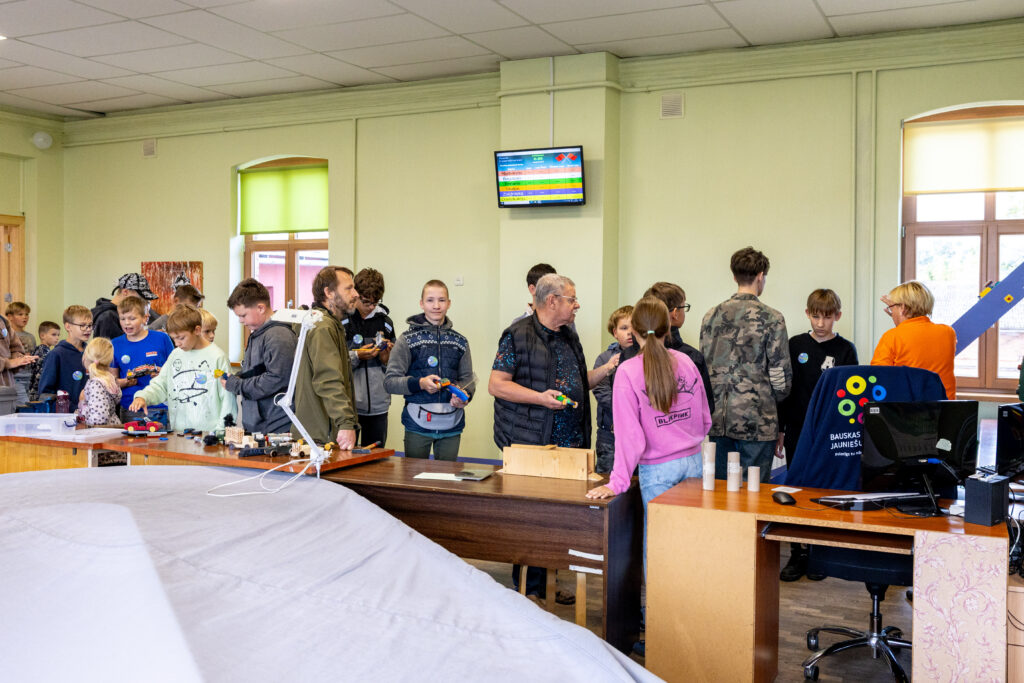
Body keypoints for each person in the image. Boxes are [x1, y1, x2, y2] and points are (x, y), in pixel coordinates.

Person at [586, 298, 712, 653]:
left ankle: (663, 639)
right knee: (689, 549)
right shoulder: (686, 362)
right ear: (669, 326)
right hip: (693, 464)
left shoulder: (628, 372)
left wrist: (616, 482)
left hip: (658, 472)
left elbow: (630, 438)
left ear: (636, 332)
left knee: (657, 556)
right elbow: (705, 418)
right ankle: (694, 628)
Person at [489, 272, 617, 603]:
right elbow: (497, 385)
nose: (577, 305)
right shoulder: (517, 335)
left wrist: (606, 370)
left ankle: (550, 580)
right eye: (572, 299)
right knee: (532, 520)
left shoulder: (569, 335)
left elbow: (578, 382)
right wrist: (540, 398)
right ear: (552, 301)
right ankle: (529, 590)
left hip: (571, 444)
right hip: (533, 442)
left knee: (558, 520)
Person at [776, 288, 858, 582]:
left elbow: (851, 397)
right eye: (815, 316)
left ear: (837, 316)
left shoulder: (846, 350)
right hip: (798, 429)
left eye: (827, 317)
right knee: (797, 487)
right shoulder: (795, 344)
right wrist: (780, 429)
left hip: (830, 432)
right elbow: (784, 392)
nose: (821, 323)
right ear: (807, 314)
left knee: (823, 490)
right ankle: (797, 551)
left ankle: (819, 551)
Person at [700, 247, 791, 483]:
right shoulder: (772, 318)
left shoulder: (711, 316)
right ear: (761, 276)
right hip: (758, 419)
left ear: (734, 276)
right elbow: (780, 376)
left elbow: (704, 366)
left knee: (721, 490)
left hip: (719, 419)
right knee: (754, 491)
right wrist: (776, 400)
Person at [384, 279, 475, 460]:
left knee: (447, 475)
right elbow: (390, 382)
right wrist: (420, 383)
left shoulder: (460, 341)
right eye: (430, 300)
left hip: (452, 424)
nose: (436, 306)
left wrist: (465, 396)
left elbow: (468, 379)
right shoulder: (406, 340)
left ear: (449, 303)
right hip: (417, 425)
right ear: (421, 303)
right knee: (414, 476)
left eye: (441, 300)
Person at [129, 304, 235, 432]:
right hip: (180, 433)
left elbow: (228, 400)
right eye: (174, 339)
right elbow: (161, 385)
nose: (177, 343)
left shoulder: (218, 357)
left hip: (210, 435)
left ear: (197, 330)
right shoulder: (175, 354)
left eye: (181, 338)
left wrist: (221, 432)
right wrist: (143, 397)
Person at [619, 282, 715, 415]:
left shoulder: (626, 357)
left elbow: (622, 410)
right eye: (684, 307)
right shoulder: (691, 357)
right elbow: (707, 407)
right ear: (675, 313)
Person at [291, 266, 360, 448]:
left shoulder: (328, 324)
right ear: (329, 293)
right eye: (349, 288)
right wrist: (345, 422)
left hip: (322, 432)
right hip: (323, 436)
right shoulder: (323, 327)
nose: (356, 294)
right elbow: (328, 379)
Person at [223, 278, 297, 435]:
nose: (240, 321)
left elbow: (276, 379)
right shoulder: (258, 333)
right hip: (259, 424)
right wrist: (239, 377)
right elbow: (259, 370)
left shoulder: (278, 335)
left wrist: (237, 385)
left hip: (276, 425)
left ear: (261, 308)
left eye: (243, 315)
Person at [872, 280, 956, 400]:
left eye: (891, 308)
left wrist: (900, 320)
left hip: (908, 408)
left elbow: (878, 377)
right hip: (944, 406)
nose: (891, 312)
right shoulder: (948, 332)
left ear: (902, 308)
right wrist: (899, 316)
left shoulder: (892, 336)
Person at [344, 268, 396, 447]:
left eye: (376, 302)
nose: (372, 307)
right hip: (350, 406)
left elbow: (393, 365)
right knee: (345, 454)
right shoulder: (343, 321)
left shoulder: (386, 323)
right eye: (366, 302)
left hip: (378, 405)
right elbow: (334, 362)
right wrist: (357, 355)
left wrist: (386, 357)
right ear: (356, 294)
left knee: (376, 456)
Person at [110, 295, 174, 425]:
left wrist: (163, 372)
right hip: (130, 408)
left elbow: (176, 370)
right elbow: (112, 381)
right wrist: (125, 382)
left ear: (145, 318)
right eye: (122, 319)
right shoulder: (115, 344)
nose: (127, 323)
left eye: (132, 318)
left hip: (161, 407)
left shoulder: (162, 338)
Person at [592, 305, 633, 474]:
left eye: (635, 327)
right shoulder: (605, 358)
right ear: (615, 332)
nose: (630, 332)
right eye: (624, 328)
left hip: (639, 434)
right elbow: (601, 391)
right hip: (610, 436)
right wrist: (626, 412)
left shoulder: (646, 357)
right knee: (607, 479)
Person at [38, 305, 92, 411]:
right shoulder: (56, 354)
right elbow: (46, 394)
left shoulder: (91, 353)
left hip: (91, 413)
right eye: (82, 325)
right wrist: (72, 409)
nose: (88, 329)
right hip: (67, 415)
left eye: (90, 325)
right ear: (68, 327)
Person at [92, 273, 158, 339]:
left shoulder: (114, 314)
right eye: (140, 298)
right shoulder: (107, 317)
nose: (142, 302)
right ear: (125, 292)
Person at [76, 337, 121, 426]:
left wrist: (82, 404)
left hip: (100, 432)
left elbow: (99, 419)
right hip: (112, 427)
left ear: (86, 357)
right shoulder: (109, 378)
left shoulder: (95, 384)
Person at [4, 302, 35, 405]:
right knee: (25, 405)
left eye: (26, 314)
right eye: (20, 314)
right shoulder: (6, 336)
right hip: (15, 378)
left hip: (28, 377)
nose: (24, 317)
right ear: (10, 317)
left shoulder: (30, 337)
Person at [0, 311, 33, 392]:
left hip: (7, 386)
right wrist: (7, 363)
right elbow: (8, 363)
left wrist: (19, 358)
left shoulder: (3, 321)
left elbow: (15, 348)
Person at [28, 321, 60, 401]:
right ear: (42, 336)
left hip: (33, 391)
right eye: (54, 335)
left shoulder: (38, 349)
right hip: (39, 392)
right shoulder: (45, 352)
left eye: (58, 335)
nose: (57, 338)